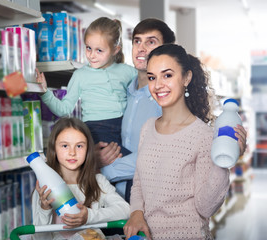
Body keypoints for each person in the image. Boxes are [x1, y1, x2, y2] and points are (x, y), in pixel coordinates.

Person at [96, 18, 247, 202]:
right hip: (116, 196)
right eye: (137, 41)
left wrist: (101, 171)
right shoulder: (125, 91)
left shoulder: (165, 100)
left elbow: (154, 155)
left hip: (152, 197)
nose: (141, 48)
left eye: (151, 42)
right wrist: (96, 155)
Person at [123, 44, 246, 239]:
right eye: (152, 77)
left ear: (186, 78)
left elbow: (205, 208)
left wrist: (223, 163)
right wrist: (136, 212)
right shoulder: (147, 127)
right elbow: (138, 183)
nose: (157, 85)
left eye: (168, 75)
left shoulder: (203, 136)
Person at [37, 17, 137, 157]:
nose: (91, 55)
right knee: (131, 161)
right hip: (96, 130)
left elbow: (144, 94)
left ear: (115, 50)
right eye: (88, 48)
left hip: (126, 127)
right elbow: (63, 110)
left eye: (99, 50)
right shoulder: (80, 75)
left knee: (131, 163)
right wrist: (44, 92)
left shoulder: (128, 71)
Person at [32, 117, 130, 240]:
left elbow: (125, 210)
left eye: (79, 146)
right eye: (64, 146)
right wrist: (44, 209)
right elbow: (39, 238)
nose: (72, 152)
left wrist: (89, 216)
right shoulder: (45, 189)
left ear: (88, 149)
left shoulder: (98, 181)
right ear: (54, 148)